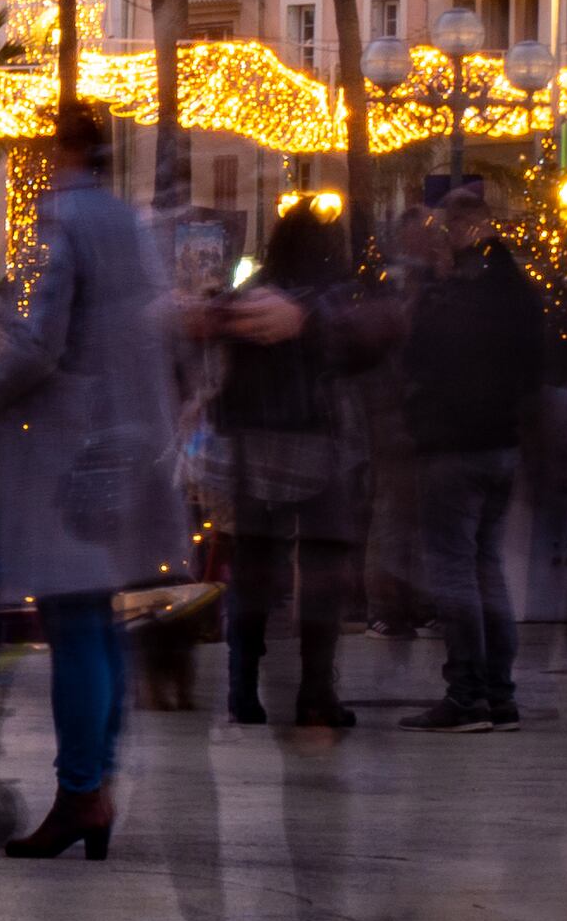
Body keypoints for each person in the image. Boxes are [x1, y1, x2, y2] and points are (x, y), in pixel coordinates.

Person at [0, 99, 184, 862]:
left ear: (57, 151)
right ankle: (96, 787)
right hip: (125, 435)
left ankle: (82, 789)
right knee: (100, 623)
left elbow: (42, 340)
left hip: (68, 445)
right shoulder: (132, 224)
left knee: (75, 622)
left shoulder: (61, 220)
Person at [195, 204, 385, 731]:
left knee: (254, 570)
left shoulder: (252, 293)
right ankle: (315, 691)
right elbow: (357, 349)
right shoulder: (328, 297)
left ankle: (241, 687)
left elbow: (222, 369)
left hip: (253, 449)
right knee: (321, 573)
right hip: (315, 446)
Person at [395, 174, 546, 730]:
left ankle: (466, 694)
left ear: (463, 227)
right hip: (502, 441)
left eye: (449, 225)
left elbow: (421, 356)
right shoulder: (517, 288)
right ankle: (500, 694)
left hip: (455, 441)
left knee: (455, 569)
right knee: (487, 567)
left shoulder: (458, 293)